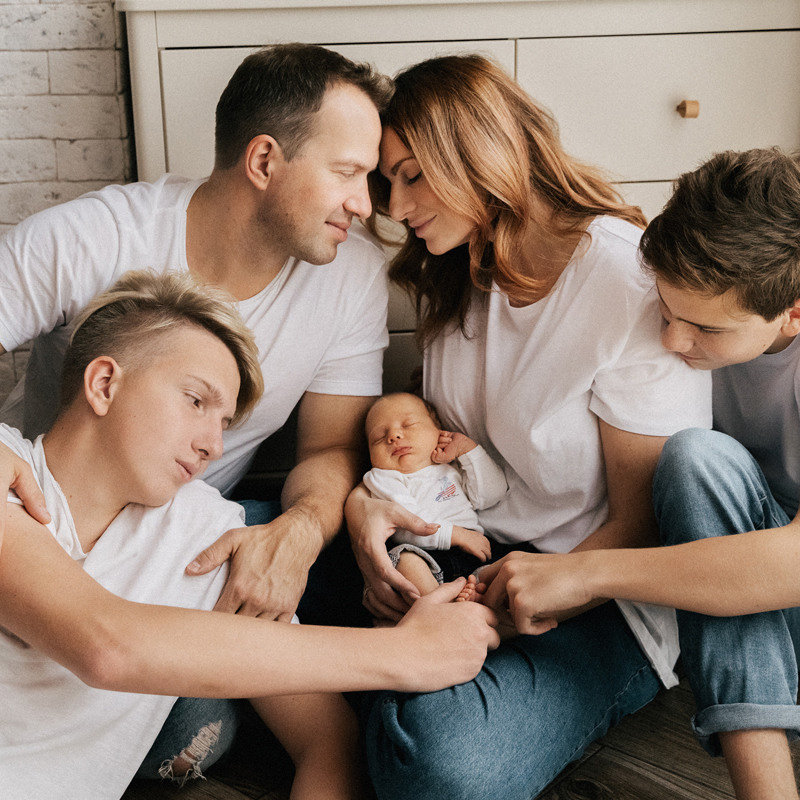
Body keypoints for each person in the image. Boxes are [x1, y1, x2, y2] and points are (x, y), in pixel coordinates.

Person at [0, 43, 393, 776]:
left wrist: (298, 533)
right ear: (265, 160)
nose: (364, 204)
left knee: (200, 715)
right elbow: (103, 644)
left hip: (186, 543)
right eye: (348, 172)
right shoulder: (90, 236)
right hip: (37, 517)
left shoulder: (352, 276)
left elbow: (330, 450)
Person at [344, 54, 712, 799]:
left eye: (412, 174)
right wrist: (371, 510)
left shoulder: (623, 281)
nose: (392, 204)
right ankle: (365, 682)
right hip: (462, 549)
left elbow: (645, 524)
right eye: (387, 181)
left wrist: (488, 612)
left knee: (442, 763)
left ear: (478, 148)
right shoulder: (454, 269)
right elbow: (438, 440)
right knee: (235, 549)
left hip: (596, 597)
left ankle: (338, 690)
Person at [0, 269, 500, 800]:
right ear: (105, 384)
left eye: (225, 422)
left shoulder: (208, 533)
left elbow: (328, 740)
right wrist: (408, 653)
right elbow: (105, 645)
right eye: (196, 401)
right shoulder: (6, 472)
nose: (214, 446)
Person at [475, 148, 800, 800]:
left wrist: (585, 571)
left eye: (704, 327)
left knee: (697, 458)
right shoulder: (682, 331)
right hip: (746, 617)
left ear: (793, 312)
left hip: (781, 579)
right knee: (696, 460)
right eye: (667, 310)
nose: (675, 341)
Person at [363, 392, 507, 596]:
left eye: (408, 425)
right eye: (379, 437)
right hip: (426, 557)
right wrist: (455, 534)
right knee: (406, 562)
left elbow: (492, 495)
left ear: (437, 429)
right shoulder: (383, 478)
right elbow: (407, 523)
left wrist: (467, 451)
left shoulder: (453, 465)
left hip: (475, 550)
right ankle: (440, 607)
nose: (393, 436)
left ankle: (476, 598)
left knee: (514, 563)